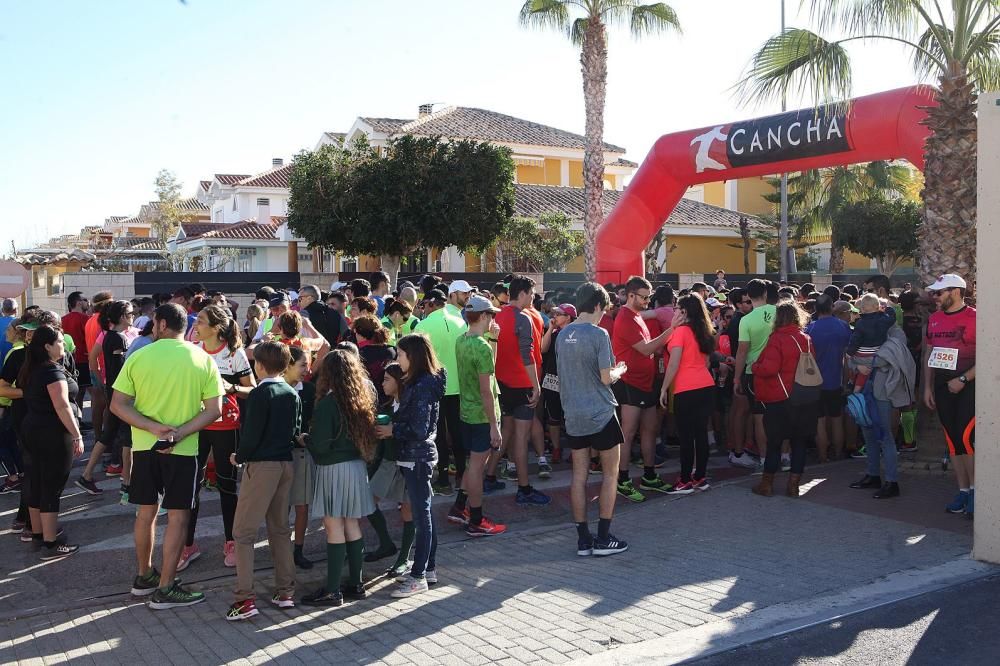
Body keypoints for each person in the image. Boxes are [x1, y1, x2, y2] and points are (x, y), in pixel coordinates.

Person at [111, 303, 223, 610]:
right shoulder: (202, 358)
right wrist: (180, 433)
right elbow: (215, 410)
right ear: (182, 326)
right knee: (178, 517)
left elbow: (118, 404)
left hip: (144, 447)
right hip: (184, 450)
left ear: (159, 324)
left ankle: (144, 575)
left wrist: (152, 427)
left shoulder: (139, 356)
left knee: (145, 513)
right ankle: (165, 587)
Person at [225, 342, 300, 620]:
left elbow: (251, 434)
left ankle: (244, 600)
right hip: (285, 464)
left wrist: (239, 455)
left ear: (259, 365)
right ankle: (285, 591)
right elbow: (295, 430)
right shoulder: (291, 392)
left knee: (243, 533)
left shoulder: (260, 393)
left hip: (262, 466)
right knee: (280, 529)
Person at [180, 304, 256, 571]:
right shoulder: (193, 351)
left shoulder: (235, 354)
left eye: (199, 321)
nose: (194, 326)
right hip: (195, 426)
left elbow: (253, 390)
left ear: (216, 328)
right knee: (191, 485)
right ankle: (187, 545)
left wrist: (231, 387)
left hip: (226, 427)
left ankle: (231, 542)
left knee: (226, 485)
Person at [557, 282, 629, 556]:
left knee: (579, 475)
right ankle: (603, 538)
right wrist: (620, 370)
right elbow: (604, 376)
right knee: (610, 474)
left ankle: (583, 539)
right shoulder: (599, 334)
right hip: (600, 412)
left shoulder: (564, 334)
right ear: (598, 306)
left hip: (573, 413)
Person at [302, 350, 378, 607]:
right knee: (352, 525)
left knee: (334, 527)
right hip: (356, 468)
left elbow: (320, 446)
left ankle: (333, 589)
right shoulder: (361, 399)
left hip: (333, 469)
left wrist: (307, 441)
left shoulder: (327, 404)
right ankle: (356, 583)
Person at [376, 334, 445, 598]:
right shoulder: (421, 383)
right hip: (415, 455)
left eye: (400, 355)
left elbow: (419, 427)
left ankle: (419, 576)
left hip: (417, 456)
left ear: (412, 356)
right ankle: (428, 568)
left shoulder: (421, 385)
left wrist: (394, 428)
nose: (397, 360)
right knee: (423, 512)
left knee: (421, 514)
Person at [19, 324, 83, 559]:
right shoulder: (51, 372)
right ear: (47, 346)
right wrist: (76, 434)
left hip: (32, 429)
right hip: (52, 433)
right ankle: (50, 543)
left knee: (37, 481)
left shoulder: (33, 368)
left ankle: (39, 534)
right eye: (59, 341)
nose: (63, 344)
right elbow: (62, 406)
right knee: (52, 486)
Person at [448, 294, 507, 536]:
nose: (493, 318)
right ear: (483, 316)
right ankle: (476, 519)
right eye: (491, 314)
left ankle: (460, 507)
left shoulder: (462, 340)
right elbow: (487, 388)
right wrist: (494, 425)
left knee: (473, 465)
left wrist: (492, 338)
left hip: (466, 412)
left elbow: (487, 371)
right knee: (476, 469)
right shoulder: (481, 346)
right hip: (482, 416)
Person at [750, 302, 820, 498]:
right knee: (799, 443)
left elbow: (770, 369)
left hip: (780, 398)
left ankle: (767, 484)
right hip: (803, 396)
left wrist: (755, 367)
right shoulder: (805, 338)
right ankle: (793, 485)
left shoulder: (777, 339)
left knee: (774, 442)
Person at [611, 276, 671, 501]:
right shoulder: (625, 318)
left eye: (649, 297)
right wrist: (672, 329)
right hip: (630, 382)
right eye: (644, 297)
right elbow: (645, 349)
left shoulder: (637, 316)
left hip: (646, 381)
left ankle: (649, 476)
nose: (647, 301)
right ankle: (623, 480)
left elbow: (647, 350)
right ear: (631, 295)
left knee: (650, 429)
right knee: (628, 432)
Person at [492, 275, 550, 505]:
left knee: (506, 430)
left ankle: (489, 475)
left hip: (503, 383)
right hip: (522, 383)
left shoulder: (496, 315)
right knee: (521, 437)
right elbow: (528, 357)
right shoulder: (523, 318)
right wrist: (536, 386)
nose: (534, 298)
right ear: (523, 293)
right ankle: (524, 489)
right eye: (532, 293)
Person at [923, 274, 976, 517]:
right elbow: (929, 354)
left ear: (955, 292)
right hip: (943, 387)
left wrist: (964, 379)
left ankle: (977, 491)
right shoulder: (933, 319)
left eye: (939, 292)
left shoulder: (975, 317)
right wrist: (927, 387)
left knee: (967, 438)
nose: (935, 297)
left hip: (970, 385)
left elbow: (991, 354)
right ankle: (963, 490)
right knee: (953, 440)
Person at [76, 301, 138, 496]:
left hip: (113, 390)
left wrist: (102, 379)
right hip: (121, 393)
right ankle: (127, 482)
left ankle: (86, 475)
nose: (133, 315)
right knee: (127, 437)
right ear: (121, 317)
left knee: (108, 434)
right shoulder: (118, 339)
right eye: (129, 313)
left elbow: (96, 359)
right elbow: (121, 369)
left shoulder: (108, 336)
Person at [849, 322, 915, 499]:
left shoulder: (895, 332)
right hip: (865, 389)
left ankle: (891, 482)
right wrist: (857, 364)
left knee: (886, 436)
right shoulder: (864, 330)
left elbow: (885, 359)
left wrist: (859, 360)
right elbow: (850, 357)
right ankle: (873, 475)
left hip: (884, 392)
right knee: (868, 433)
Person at [414, 283, 468, 495]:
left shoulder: (422, 326)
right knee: (457, 432)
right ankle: (462, 475)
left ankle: (444, 479)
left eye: (425, 305)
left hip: (434, 388)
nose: (423, 308)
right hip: (458, 386)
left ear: (430, 304)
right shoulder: (460, 322)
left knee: (439, 434)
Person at [659, 294, 716, 493]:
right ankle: (700, 476)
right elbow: (707, 362)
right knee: (700, 435)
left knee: (686, 438)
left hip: (686, 388)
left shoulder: (681, 332)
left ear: (684, 311)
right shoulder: (706, 331)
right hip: (705, 385)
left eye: (677, 308)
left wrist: (664, 387)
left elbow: (673, 363)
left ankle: (685, 480)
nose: (674, 311)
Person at [368, 363, 415, 577]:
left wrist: (392, 431)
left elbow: (416, 432)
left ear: (399, 381)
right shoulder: (386, 408)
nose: (382, 383)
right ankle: (386, 543)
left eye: (387, 379)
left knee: (408, 510)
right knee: (367, 501)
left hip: (407, 464)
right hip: (388, 463)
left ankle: (404, 558)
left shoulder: (410, 406)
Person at [806, 295, 852, 463]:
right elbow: (847, 357)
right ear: (832, 307)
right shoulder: (843, 327)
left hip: (815, 381)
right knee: (837, 418)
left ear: (816, 309)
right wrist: (846, 379)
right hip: (836, 379)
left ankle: (822, 455)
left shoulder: (810, 329)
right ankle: (838, 453)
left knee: (819, 420)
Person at [734, 279, 774, 464]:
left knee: (759, 417)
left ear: (749, 296)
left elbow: (742, 351)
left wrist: (736, 378)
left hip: (754, 373)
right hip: (779, 371)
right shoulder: (780, 313)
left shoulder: (746, 320)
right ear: (766, 294)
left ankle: (766, 459)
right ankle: (785, 456)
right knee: (781, 414)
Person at [285, 346, 317, 570]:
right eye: (303, 365)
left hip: (302, 453)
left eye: (308, 364)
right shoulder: (275, 388)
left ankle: (298, 548)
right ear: (287, 366)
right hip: (279, 455)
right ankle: (281, 546)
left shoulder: (310, 390)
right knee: (279, 506)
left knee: (302, 504)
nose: (307, 369)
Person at [539, 303, 576, 463]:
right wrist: (550, 329)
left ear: (568, 317)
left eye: (559, 314)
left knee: (571, 418)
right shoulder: (553, 333)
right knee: (553, 417)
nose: (555, 317)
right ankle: (556, 448)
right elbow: (543, 349)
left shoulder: (576, 334)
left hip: (571, 381)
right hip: (552, 379)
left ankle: (577, 450)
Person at [847, 294, 895, 393]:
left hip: (862, 355)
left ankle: (854, 388)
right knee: (866, 371)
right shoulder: (884, 320)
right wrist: (886, 309)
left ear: (862, 309)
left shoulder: (860, 323)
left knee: (859, 368)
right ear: (878, 307)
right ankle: (857, 387)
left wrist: (849, 353)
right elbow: (892, 317)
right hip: (877, 355)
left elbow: (855, 341)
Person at [85, 292, 113, 440]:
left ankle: (98, 437)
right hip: (102, 368)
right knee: (108, 405)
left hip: (94, 366)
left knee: (97, 403)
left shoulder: (90, 320)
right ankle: (106, 439)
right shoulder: (103, 322)